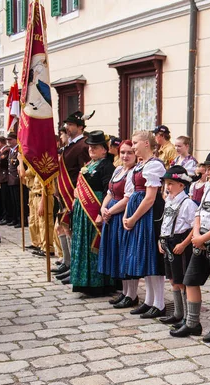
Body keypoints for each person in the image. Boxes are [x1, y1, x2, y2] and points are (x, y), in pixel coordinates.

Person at [175, 149, 210, 341]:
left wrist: (203, 237)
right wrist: (197, 234)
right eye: (206, 169)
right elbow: (198, 212)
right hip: (201, 241)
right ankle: (192, 322)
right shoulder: (209, 187)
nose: (207, 173)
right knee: (190, 281)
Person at [122, 130, 167, 318]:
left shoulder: (154, 166)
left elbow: (150, 198)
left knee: (152, 257)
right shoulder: (141, 166)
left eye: (135, 142)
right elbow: (132, 193)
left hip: (149, 215)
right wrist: (127, 214)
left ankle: (160, 302)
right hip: (139, 213)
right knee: (144, 257)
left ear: (146, 144)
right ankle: (149, 300)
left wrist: (133, 218)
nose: (133, 146)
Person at [68, 131, 115, 295]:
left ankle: (97, 284)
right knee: (83, 246)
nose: (91, 149)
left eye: (96, 147)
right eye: (90, 147)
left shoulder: (106, 166)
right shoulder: (88, 164)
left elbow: (107, 189)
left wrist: (101, 213)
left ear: (104, 149)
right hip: (83, 211)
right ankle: (83, 282)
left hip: (95, 209)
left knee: (93, 247)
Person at [153, 165, 197, 333]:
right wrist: (160, 240)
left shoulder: (188, 204)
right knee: (172, 279)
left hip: (180, 242)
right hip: (168, 242)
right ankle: (178, 313)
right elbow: (165, 222)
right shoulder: (169, 201)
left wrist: (184, 243)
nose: (167, 187)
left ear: (182, 185)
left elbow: (194, 227)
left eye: (171, 183)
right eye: (166, 183)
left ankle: (187, 316)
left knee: (182, 281)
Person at [99, 140, 139, 308]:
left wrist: (110, 211)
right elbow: (109, 192)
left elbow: (127, 198)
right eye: (123, 152)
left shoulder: (133, 173)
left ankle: (132, 294)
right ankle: (124, 292)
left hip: (123, 215)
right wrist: (102, 208)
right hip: (112, 216)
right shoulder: (117, 170)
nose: (125, 156)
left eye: (129, 152)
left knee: (125, 254)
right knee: (117, 254)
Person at [54, 111, 93, 282]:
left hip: (75, 195)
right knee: (67, 229)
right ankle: (71, 265)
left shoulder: (84, 145)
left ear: (80, 127)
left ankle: (75, 267)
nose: (67, 128)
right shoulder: (70, 145)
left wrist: (78, 194)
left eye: (70, 125)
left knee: (74, 231)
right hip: (65, 194)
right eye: (67, 125)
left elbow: (84, 173)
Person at [0, 137, 11, 225]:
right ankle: (4, 216)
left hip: (5, 177)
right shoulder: (0, 152)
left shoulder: (6, 150)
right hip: (1, 178)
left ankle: (7, 216)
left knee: (6, 200)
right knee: (2, 199)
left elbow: (1, 161)